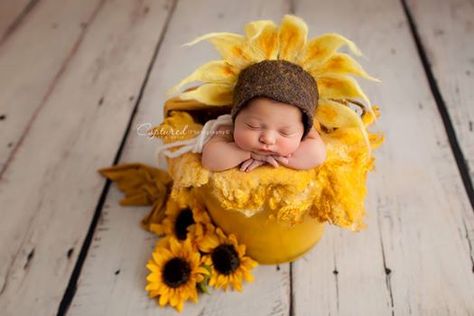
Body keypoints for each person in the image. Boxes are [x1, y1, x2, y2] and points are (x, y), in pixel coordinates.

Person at [201, 59, 326, 172]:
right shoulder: (227, 127)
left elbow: (317, 154)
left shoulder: (306, 127)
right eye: (253, 126)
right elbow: (210, 160)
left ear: (304, 130)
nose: (268, 139)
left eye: (285, 132)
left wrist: (279, 158)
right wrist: (246, 154)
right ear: (236, 116)